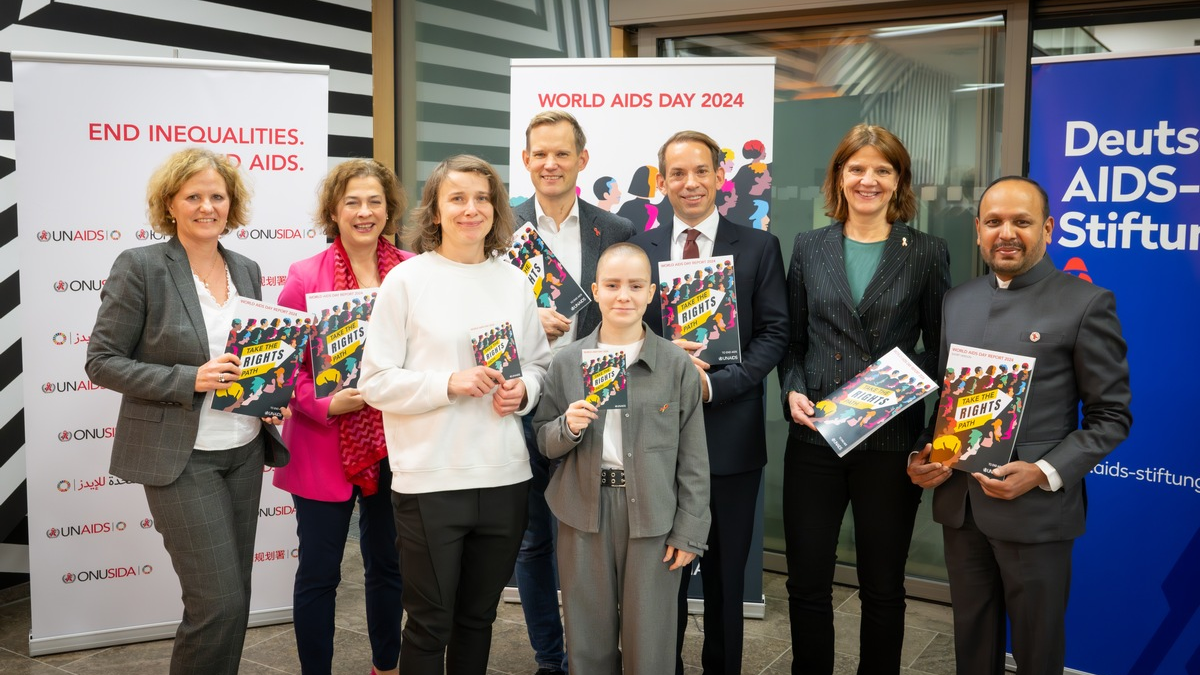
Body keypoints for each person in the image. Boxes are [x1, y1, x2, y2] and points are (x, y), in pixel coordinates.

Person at [907, 176, 1132, 675]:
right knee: (971, 642)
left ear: (1047, 229)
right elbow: (949, 398)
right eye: (994, 222)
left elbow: (1112, 416)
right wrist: (924, 452)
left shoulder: (1086, 302)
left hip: (1035, 513)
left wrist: (1043, 472)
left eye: (1021, 222)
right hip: (961, 507)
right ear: (978, 231)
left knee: (1037, 650)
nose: (1006, 233)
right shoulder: (957, 300)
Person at [85, 147, 288, 675]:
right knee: (217, 603)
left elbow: (249, 355)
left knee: (235, 597)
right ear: (170, 204)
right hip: (182, 458)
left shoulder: (246, 268)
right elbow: (102, 361)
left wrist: (267, 394)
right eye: (193, 196)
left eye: (217, 196)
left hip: (244, 449)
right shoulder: (142, 266)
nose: (207, 206)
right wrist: (188, 379)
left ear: (231, 204)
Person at [359, 154, 552, 675]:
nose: (472, 209)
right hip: (430, 481)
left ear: (496, 208)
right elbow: (374, 383)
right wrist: (449, 383)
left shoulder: (514, 281)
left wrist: (524, 392)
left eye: (482, 198)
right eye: (458, 198)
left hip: (505, 478)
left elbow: (539, 365)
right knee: (428, 624)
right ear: (435, 210)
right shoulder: (406, 281)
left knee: (478, 619)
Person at [777, 123, 951, 674]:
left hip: (890, 440)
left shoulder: (926, 252)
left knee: (883, 585)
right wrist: (792, 388)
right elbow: (794, 342)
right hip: (816, 435)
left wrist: (893, 387)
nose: (868, 179)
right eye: (856, 168)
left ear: (898, 180)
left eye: (882, 169)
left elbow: (940, 347)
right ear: (839, 176)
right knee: (806, 581)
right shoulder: (808, 247)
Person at [631, 130, 789, 675]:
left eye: (701, 170)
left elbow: (775, 333)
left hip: (731, 436)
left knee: (725, 580)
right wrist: (660, 356)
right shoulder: (639, 249)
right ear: (662, 181)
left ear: (721, 176)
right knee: (662, 577)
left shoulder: (760, 247)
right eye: (677, 173)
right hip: (657, 440)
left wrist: (716, 386)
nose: (690, 182)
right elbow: (621, 331)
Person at [533, 242, 710, 674]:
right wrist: (568, 426)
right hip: (583, 512)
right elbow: (543, 440)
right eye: (612, 285)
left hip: (653, 515)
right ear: (595, 290)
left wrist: (689, 531)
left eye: (634, 285)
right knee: (587, 639)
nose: (623, 296)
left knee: (650, 643)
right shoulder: (567, 362)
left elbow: (694, 458)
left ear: (651, 293)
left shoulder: (676, 365)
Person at [272, 159, 414, 675]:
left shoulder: (413, 269)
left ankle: (387, 667)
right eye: (352, 201)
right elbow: (281, 363)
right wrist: (324, 403)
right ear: (333, 210)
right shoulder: (303, 275)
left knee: (389, 566)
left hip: (397, 440)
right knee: (319, 573)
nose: (364, 211)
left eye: (375, 201)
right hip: (323, 442)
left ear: (389, 209)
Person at [513, 109, 635, 675]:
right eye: (540, 153)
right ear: (525, 160)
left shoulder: (616, 230)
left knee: (598, 538)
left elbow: (629, 307)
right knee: (533, 541)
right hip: (524, 404)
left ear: (582, 160)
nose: (550, 163)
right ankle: (550, 659)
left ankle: (599, 655)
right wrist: (524, 320)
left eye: (562, 153)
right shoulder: (500, 226)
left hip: (596, 405)